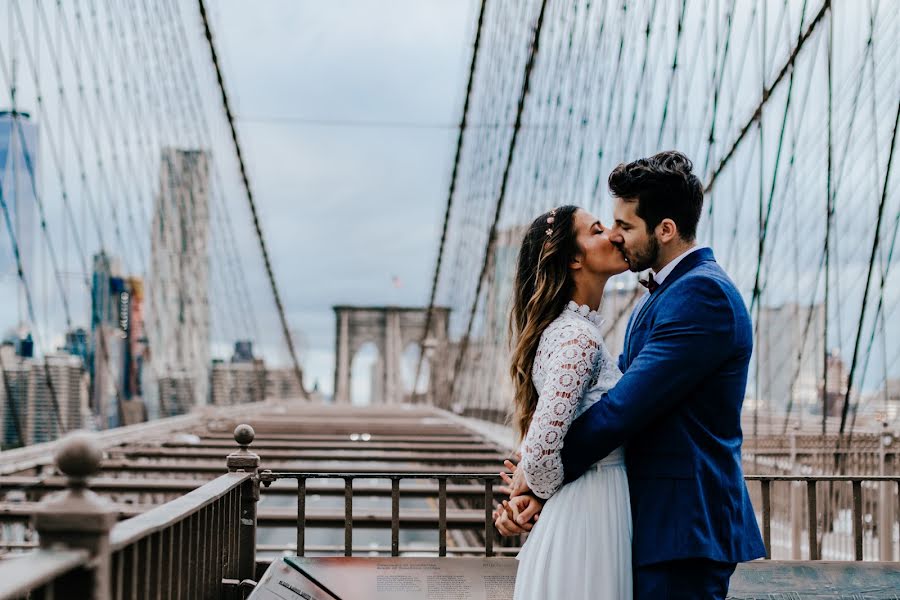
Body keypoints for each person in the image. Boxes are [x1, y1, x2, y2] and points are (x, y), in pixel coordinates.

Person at [497, 151, 765, 599]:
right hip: (654, 523)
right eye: (606, 227)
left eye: (624, 225)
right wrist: (540, 484)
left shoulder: (702, 294)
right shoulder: (662, 297)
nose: (616, 236)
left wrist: (539, 472)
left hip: (683, 528)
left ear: (665, 229)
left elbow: (622, 409)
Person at [496, 204, 633, 599]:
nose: (613, 235)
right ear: (575, 258)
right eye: (597, 229)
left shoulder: (570, 331)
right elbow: (539, 456)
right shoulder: (577, 337)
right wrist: (535, 493)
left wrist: (529, 495)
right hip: (589, 511)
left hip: (586, 506)